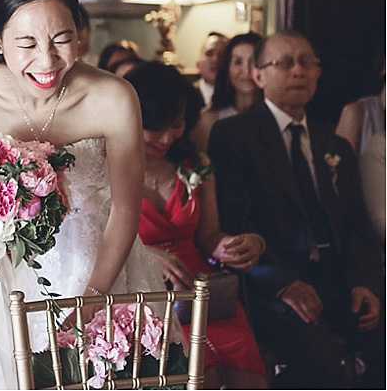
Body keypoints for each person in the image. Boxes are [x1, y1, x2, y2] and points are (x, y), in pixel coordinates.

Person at [0, 0, 170, 389]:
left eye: (62, 39)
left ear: (80, 31)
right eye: (26, 44)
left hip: (102, 263)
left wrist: (94, 297)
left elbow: (126, 207)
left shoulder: (115, 98)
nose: (47, 61)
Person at [208, 31, 384, 388]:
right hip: (272, 286)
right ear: (259, 75)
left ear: (319, 72)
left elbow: (356, 226)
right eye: (284, 63)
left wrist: (364, 283)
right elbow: (235, 224)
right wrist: (283, 283)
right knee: (325, 366)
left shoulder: (333, 144)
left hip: (336, 281)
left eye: (307, 62)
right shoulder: (234, 135)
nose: (298, 71)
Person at [128, 62, 267, 388]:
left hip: (204, 290)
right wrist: (141, 254)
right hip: (143, 290)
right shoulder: (105, 168)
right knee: (196, 375)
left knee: (246, 372)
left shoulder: (196, 165)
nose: (166, 138)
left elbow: (208, 235)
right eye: (154, 127)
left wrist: (237, 246)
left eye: (176, 125)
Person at [192, 32, 263, 152]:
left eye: (254, 62)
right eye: (238, 62)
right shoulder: (206, 121)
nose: (246, 71)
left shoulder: (276, 117)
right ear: (227, 69)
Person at [196, 32, 229, 108]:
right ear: (198, 65)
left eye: (223, 55)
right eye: (209, 54)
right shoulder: (185, 96)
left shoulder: (239, 99)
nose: (216, 59)